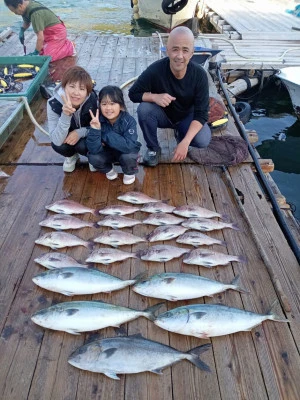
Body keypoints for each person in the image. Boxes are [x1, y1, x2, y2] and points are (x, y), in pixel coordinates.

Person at [128, 26, 211, 167]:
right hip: (163, 116)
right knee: (144, 109)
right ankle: (153, 148)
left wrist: (185, 142)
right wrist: (154, 97)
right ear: (167, 50)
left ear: (192, 53)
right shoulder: (155, 70)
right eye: (175, 49)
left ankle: (182, 135)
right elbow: (133, 94)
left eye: (185, 50)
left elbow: (202, 114)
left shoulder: (200, 75)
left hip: (186, 117)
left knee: (202, 140)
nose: (179, 56)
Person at [47, 66, 98, 173]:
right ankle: (71, 156)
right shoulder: (53, 103)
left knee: (83, 145)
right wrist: (65, 115)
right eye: (72, 86)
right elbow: (56, 140)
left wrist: (80, 132)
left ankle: (92, 158)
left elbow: (103, 128)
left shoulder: (94, 100)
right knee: (58, 145)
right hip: (66, 138)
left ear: (87, 92)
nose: (76, 92)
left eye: (82, 88)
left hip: (86, 136)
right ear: (64, 86)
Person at [87, 85, 141, 185]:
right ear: (100, 106)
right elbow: (93, 149)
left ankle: (129, 172)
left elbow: (129, 146)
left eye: (112, 103)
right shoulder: (96, 120)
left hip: (124, 153)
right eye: (104, 104)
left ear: (120, 105)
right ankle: (109, 169)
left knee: (130, 155)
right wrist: (95, 129)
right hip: (108, 154)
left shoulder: (129, 121)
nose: (108, 108)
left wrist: (105, 135)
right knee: (93, 157)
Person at [4, 0, 75, 61]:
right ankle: (59, 44)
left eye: (14, 11)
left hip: (57, 32)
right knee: (42, 51)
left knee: (47, 58)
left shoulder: (35, 13)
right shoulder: (24, 8)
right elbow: (26, 22)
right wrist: (22, 30)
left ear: (20, 6)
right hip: (47, 33)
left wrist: (36, 52)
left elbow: (40, 37)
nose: (15, 13)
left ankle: (70, 46)